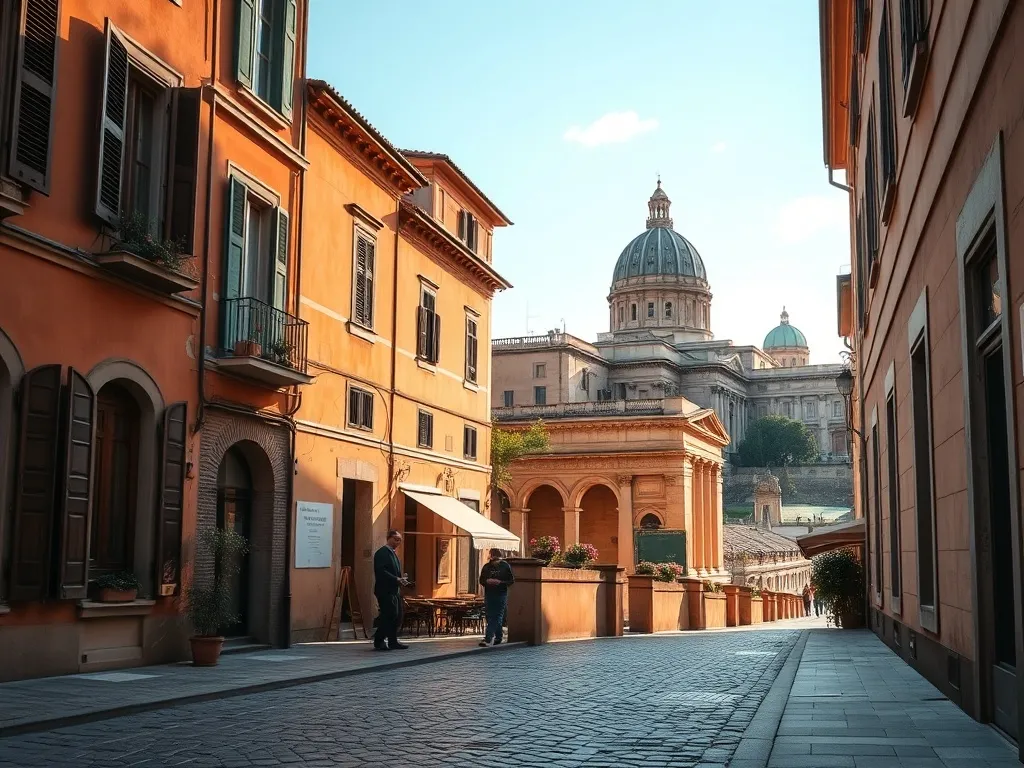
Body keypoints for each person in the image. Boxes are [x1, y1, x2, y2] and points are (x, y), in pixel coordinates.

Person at [373, 529, 410, 651]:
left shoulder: (393, 553)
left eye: (400, 540)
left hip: (394, 590)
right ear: (389, 538)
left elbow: (393, 571)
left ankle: (393, 641)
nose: (398, 542)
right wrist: (396, 579)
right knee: (389, 614)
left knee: (398, 616)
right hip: (385, 590)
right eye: (396, 539)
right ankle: (379, 640)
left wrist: (401, 579)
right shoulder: (382, 553)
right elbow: (381, 571)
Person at [478, 548, 515, 647]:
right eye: (492, 558)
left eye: (496, 559)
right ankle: (498, 637)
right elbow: (481, 580)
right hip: (489, 594)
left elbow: (511, 581)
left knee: (497, 615)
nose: (494, 561)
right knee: (490, 616)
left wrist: (500, 582)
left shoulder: (505, 566)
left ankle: (487, 638)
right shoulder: (486, 567)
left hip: (501, 594)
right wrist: (487, 581)